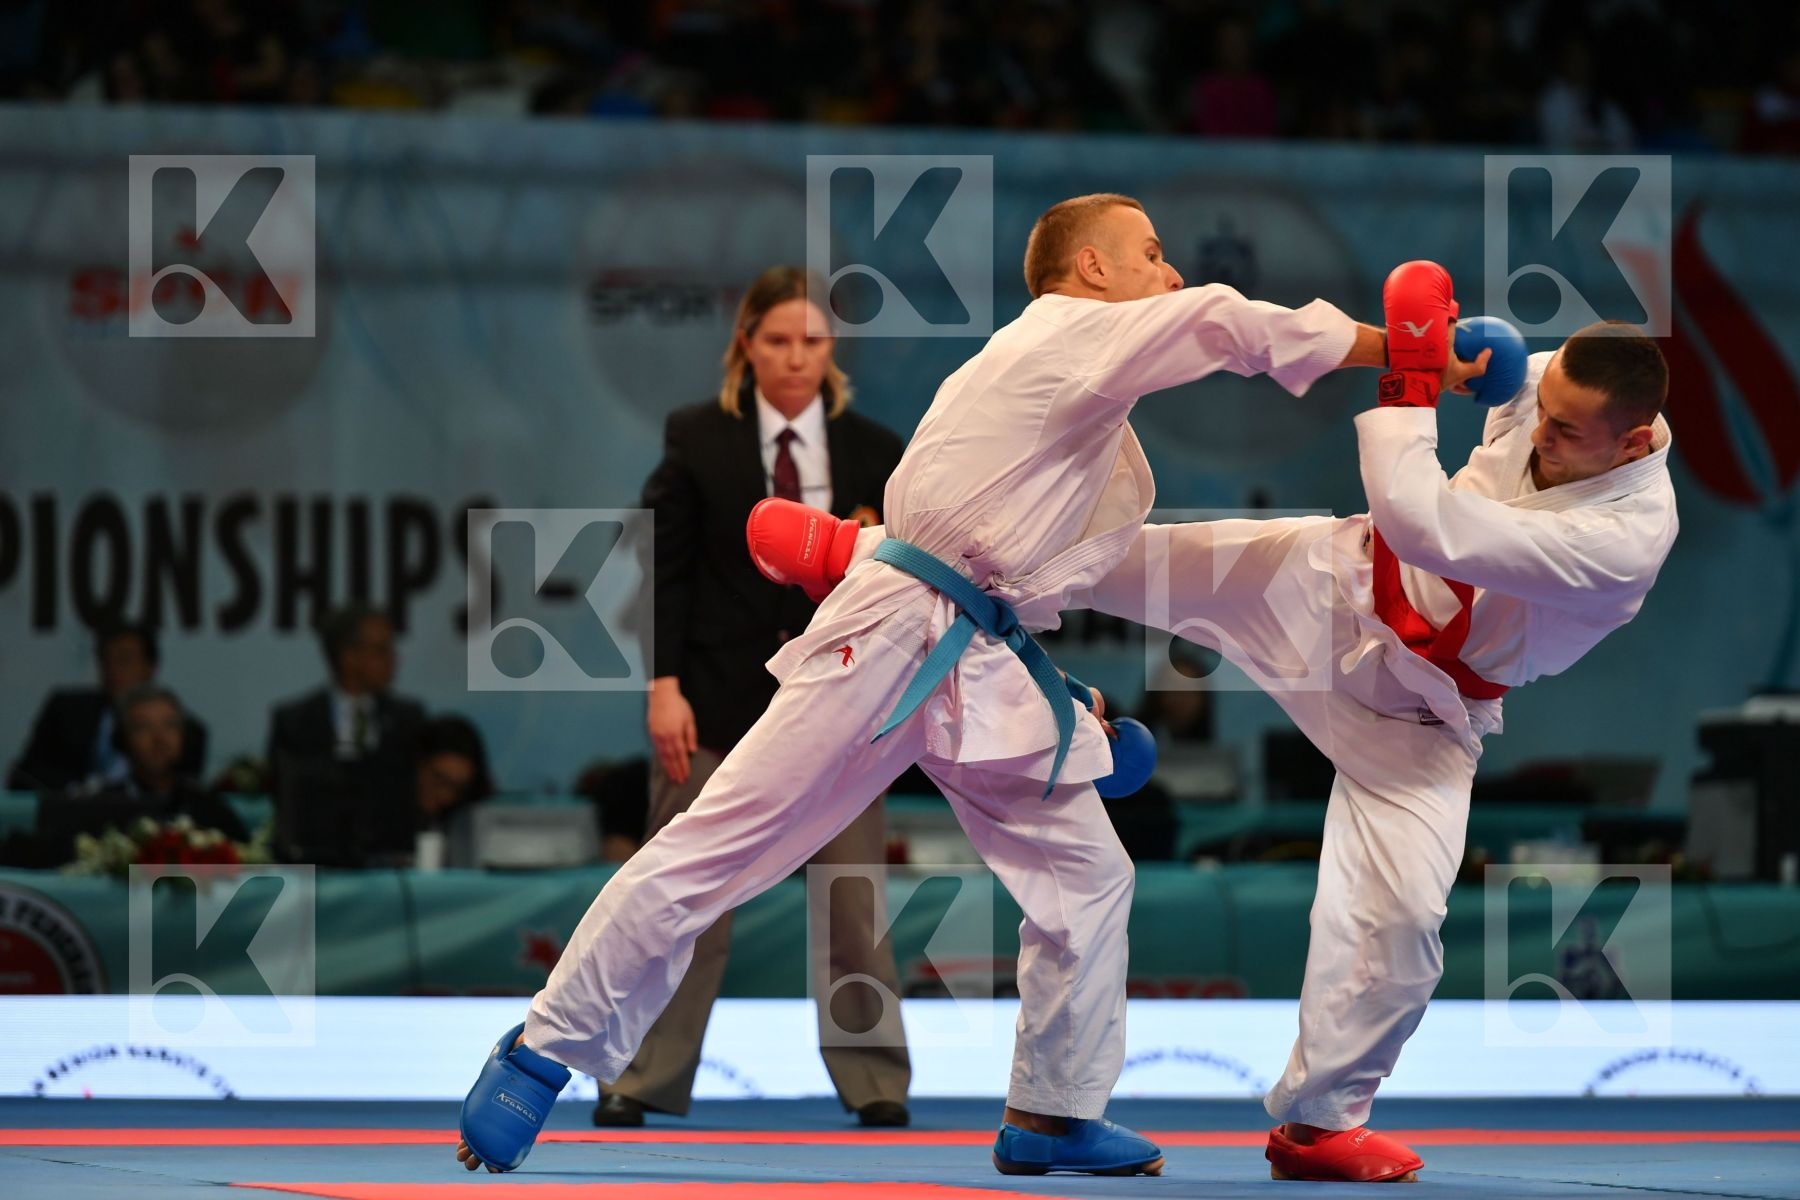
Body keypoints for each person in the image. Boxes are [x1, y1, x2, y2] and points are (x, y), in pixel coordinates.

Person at [457, 192, 1397, 1176]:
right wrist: (1397, 352)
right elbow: (1222, 319)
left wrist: (1071, 715)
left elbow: (1013, 575)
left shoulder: (1081, 397)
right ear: (1091, 270)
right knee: (717, 845)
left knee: (1088, 875)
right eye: (1152, 254)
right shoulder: (1071, 335)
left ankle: (1053, 1110)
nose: (1168, 274)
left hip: (976, 646)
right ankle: (538, 1054)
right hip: (896, 631)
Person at [1075, 298, 1675, 1179]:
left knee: (1401, 927)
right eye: (1546, 409)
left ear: (1631, 442)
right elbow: (1515, 397)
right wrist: (1495, 370)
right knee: (1123, 561)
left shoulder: (1623, 539)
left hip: (1421, 713)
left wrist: (1410, 382)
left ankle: (1318, 1126)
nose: (1545, 429)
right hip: (1335, 582)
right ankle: (874, 555)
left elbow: (1422, 521)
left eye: (1568, 430)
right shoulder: (1565, 392)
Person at [613, 266, 912, 1130]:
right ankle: (643, 1073)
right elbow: (663, 571)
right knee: (681, 892)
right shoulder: (699, 437)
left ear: (832, 349)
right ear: (746, 345)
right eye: (777, 341)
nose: (795, 358)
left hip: (843, 707)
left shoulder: (875, 451)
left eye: (812, 341)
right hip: (710, 699)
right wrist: (663, 687)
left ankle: (876, 1080)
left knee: (852, 898)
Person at [265, 603, 425, 865]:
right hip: (316, 865)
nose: (394, 659)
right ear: (349, 656)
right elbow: (287, 800)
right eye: (382, 650)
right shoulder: (294, 721)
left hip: (390, 865)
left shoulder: (408, 719)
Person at [8, 621, 208, 792]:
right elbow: (27, 773)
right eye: (106, 660)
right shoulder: (66, 712)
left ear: (150, 666)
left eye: (125, 660)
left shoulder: (187, 731)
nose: (113, 670)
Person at [77, 684, 248, 844]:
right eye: (143, 727)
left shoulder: (209, 807)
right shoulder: (102, 807)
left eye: (170, 726)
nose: (160, 739)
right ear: (122, 739)